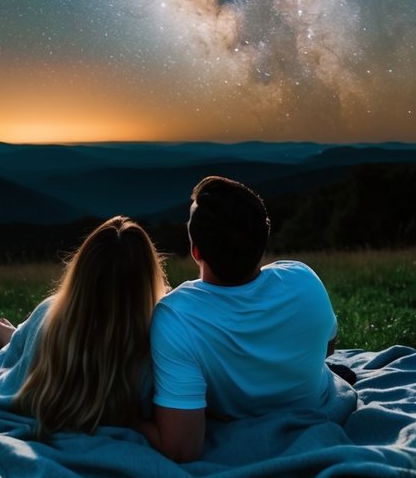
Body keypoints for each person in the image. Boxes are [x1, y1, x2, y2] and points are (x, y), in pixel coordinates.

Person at [140, 175, 350, 462]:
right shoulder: (303, 279)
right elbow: (327, 348)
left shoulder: (176, 317)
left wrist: (128, 419)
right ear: (262, 242)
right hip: (316, 405)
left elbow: (182, 448)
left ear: (196, 251)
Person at [0, 215, 168, 437]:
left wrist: (10, 345)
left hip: (46, 407)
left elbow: (12, 375)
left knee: (19, 339)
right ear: (148, 278)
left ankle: (13, 337)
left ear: (82, 270)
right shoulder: (158, 340)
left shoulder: (50, 314)